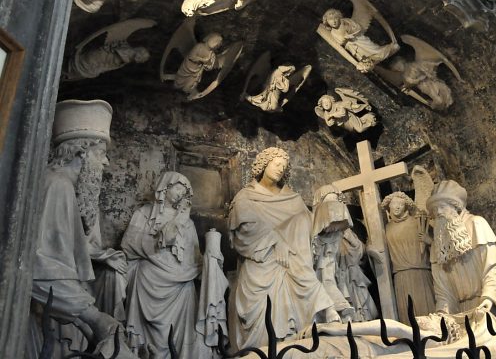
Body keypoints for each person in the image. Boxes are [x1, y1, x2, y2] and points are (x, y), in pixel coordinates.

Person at [31, 100, 134, 359]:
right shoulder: (58, 186)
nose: (106, 162)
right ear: (82, 152)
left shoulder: (63, 187)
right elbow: (40, 268)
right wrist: (94, 317)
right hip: (41, 317)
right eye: (101, 153)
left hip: (61, 312)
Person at [229, 147, 338, 349]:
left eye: (284, 166)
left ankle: (313, 320)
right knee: (263, 324)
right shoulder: (245, 197)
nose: (280, 169)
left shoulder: (294, 199)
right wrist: (274, 241)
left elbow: (310, 227)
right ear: (265, 164)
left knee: (300, 265)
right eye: (276, 164)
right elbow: (243, 228)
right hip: (261, 263)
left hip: (294, 261)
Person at [121, 172, 210, 359]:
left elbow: (194, 258)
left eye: (184, 191)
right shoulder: (144, 213)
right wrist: (160, 240)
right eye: (178, 188)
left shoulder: (188, 222)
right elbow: (129, 244)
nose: (181, 193)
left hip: (180, 282)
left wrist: (210, 262)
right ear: (165, 187)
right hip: (149, 281)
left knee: (180, 337)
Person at [425, 180, 496, 317]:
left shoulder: (476, 224)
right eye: (434, 209)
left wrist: (489, 297)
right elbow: (443, 289)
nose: (438, 212)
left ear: (455, 206)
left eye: (442, 206)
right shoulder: (438, 243)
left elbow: (493, 267)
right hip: (461, 311)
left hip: (489, 305)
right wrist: (443, 313)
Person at [381, 192, 436, 324]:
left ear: (406, 206)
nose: (397, 207)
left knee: (427, 311)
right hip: (400, 277)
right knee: (406, 314)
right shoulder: (386, 229)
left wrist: (430, 242)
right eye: (394, 203)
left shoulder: (418, 222)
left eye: (401, 204)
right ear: (389, 206)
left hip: (420, 274)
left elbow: (440, 247)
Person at [311, 185, 355, 322]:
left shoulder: (334, 225)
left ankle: (339, 308)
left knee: (326, 279)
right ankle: (337, 310)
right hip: (318, 260)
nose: (334, 206)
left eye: (336, 201)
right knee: (323, 280)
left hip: (325, 259)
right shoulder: (316, 222)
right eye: (329, 201)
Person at [321, 9, 399, 72]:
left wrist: (352, 33)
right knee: (363, 57)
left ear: (339, 17)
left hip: (359, 39)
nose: (334, 21)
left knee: (374, 49)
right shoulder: (333, 32)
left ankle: (386, 51)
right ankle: (369, 63)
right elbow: (340, 42)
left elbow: (358, 27)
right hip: (351, 46)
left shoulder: (345, 21)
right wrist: (345, 38)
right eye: (331, 19)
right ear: (326, 21)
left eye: (336, 18)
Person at [68, 42, 150, 80]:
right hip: (100, 57)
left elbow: (110, 67)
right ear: (139, 53)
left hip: (101, 64)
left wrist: (100, 70)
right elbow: (119, 53)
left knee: (87, 71)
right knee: (84, 63)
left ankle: (70, 70)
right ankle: (70, 66)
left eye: (142, 61)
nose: (139, 61)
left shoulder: (127, 60)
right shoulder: (127, 51)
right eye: (142, 59)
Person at [174, 33, 223, 97]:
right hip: (187, 67)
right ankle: (175, 89)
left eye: (217, 42)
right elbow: (191, 56)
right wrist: (203, 60)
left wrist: (207, 65)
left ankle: (184, 93)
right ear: (209, 38)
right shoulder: (199, 46)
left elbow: (209, 67)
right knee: (178, 81)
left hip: (196, 73)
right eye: (214, 40)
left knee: (189, 86)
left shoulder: (212, 54)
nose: (214, 43)